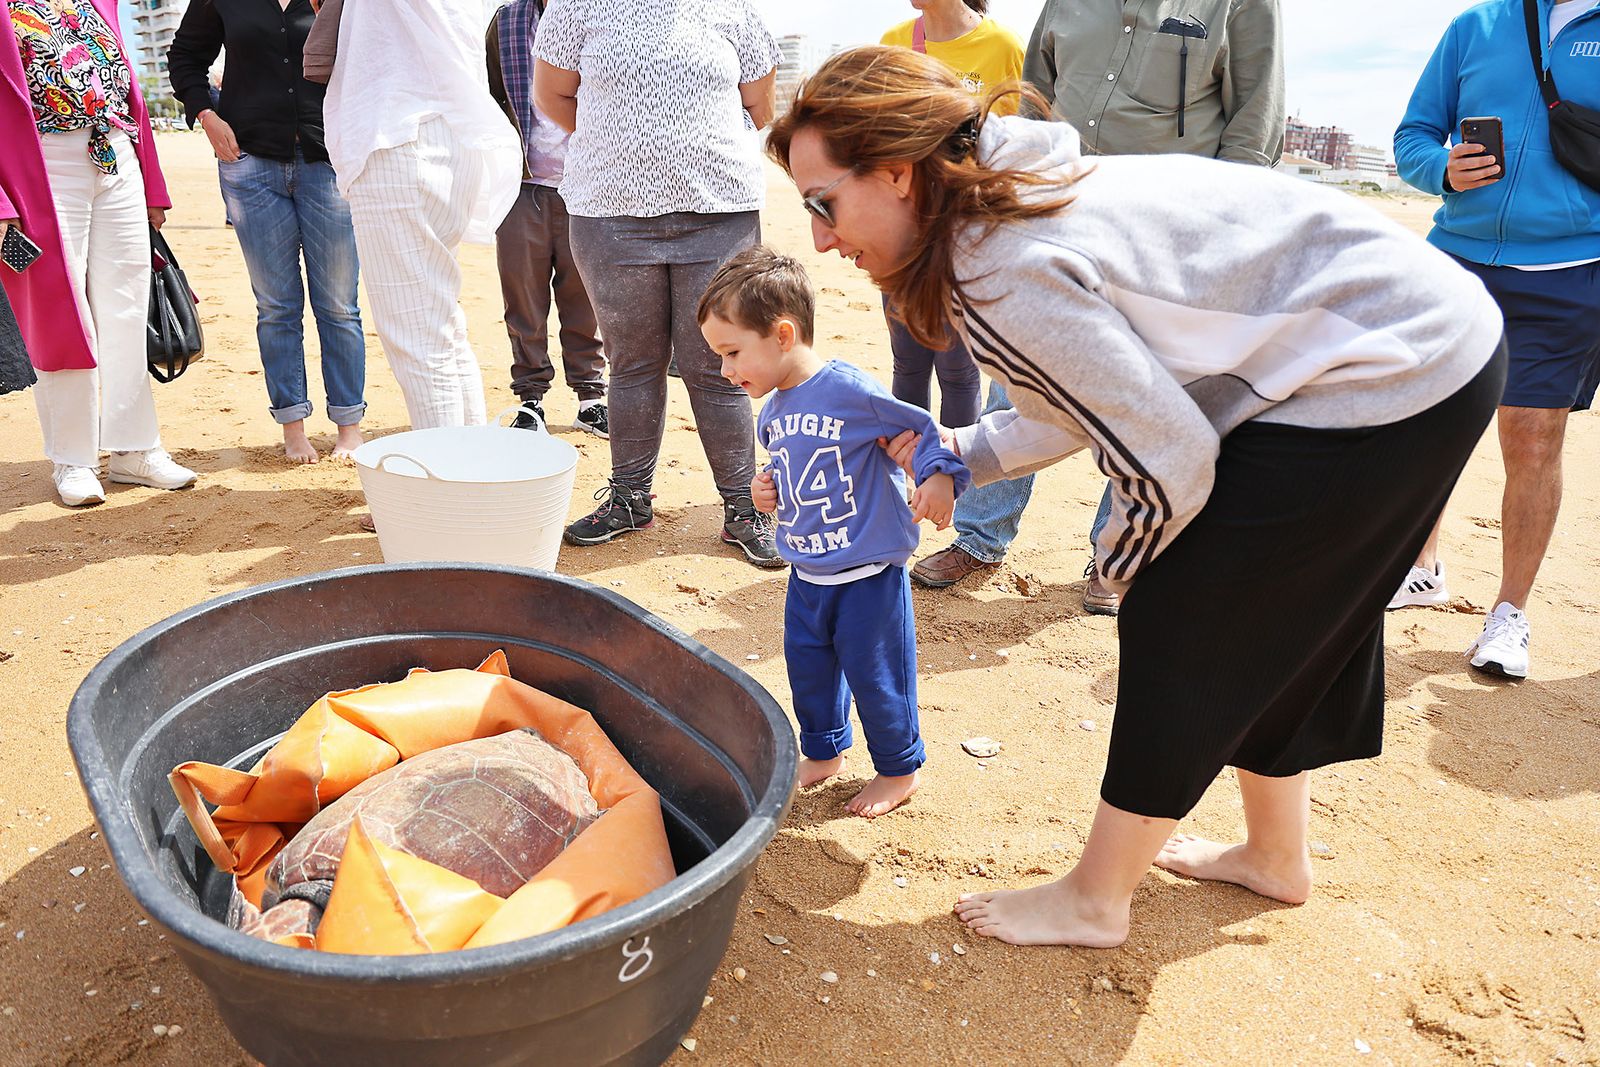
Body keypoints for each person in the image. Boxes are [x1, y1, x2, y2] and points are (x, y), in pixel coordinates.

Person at [770, 47, 1503, 947]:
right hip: (1415, 338)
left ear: (897, 171)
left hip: (1391, 367)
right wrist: (961, 451)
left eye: (823, 204)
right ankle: (1276, 857)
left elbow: (1169, 460)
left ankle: (1096, 897)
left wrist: (1131, 573)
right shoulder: (1006, 193)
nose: (820, 239)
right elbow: (1087, 399)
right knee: (1286, 613)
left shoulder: (998, 262)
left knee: (1186, 617)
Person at [911, 0, 1285, 613]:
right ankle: (980, 538)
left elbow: (1255, 123)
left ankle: (1116, 559)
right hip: (1057, 215)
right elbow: (1034, 98)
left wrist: (1215, 233)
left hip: (1165, 235)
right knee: (1020, 373)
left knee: (1141, 395)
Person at [699, 246, 969, 817]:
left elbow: (920, 430)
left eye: (731, 353)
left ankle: (900, 768)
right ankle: (824, 754)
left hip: (868, 574)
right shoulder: (773, 410)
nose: (725, 370)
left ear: (782, 334)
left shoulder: (850, 391)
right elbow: (789, 466)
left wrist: (938, 478)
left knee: (878, 677)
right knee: (810, 672)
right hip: (807, 573)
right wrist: (763, 491)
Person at [533, 0, 785, 567]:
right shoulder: (575, 8)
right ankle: (629, 498)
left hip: (718, 213)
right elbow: (553, 96)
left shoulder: (733, 10)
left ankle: (744, 510)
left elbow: (759, 105)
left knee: (719, 365)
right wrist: (617, 142)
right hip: (610, 215)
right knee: (633, 362)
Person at [1390, 0, 1600, 679]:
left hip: (1569, 268)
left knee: (1534, 436)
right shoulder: (1477, 26)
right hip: (1457, 259)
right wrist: (1442, 168)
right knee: (1424, 423)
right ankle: (1421, 569)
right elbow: (1413, 136)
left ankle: (1510, 613)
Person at [3, 0, 197, 506]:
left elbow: (130, 97)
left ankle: (135, 450)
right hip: (41, 166)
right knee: (61, 315)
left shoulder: (98, 2)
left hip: (115, 155)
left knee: (128, 306)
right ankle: (73, 457)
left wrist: (152, 185)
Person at [169, 0, 368, 465]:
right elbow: (185, 56)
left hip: (330, 164)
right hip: (250, 165)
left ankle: (349, 426)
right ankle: (293, 428)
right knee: (276, 305)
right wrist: (207, 115)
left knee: (339, 304)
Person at [315, 0, 521, 430]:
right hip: (447, 134)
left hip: (399, 137)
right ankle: (472, 470)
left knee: (420, 341)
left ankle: (450, 484)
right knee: (441, 328)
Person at [876, 0, 1022, 430]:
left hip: (965, 231)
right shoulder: (894, 43)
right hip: (900, 229)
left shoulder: (1002, 45)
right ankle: (914, 479)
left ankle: (956, 481)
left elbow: (1016, 144)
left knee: (958, 371)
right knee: (908, 366)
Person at [486, 0, 607, 437]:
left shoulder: (601, 14)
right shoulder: (507, 21)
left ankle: (591, 398)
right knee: (523, 296)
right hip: (521, 183)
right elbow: (490, 94)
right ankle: (531, 399)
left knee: (585, 295)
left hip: (587, 181)